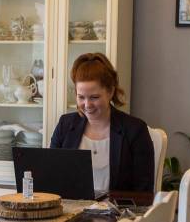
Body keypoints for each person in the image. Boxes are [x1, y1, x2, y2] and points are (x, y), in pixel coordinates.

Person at [49, 53, 155, 193]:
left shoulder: (135, 130)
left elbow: (143, 191)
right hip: (70, 211)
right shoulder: (65, 125)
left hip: (119, 213)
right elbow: (50, 176)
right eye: (81, 97)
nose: (87, 105)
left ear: (110, 91)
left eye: (94, 97)